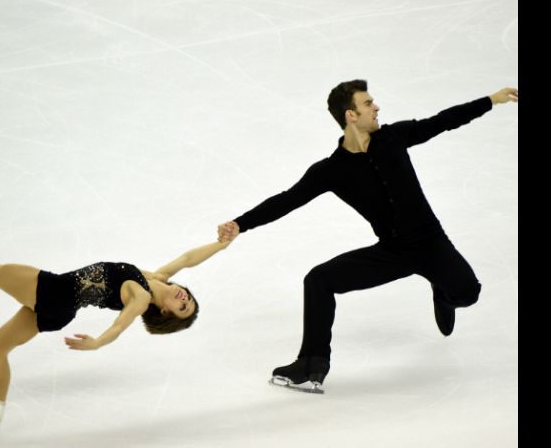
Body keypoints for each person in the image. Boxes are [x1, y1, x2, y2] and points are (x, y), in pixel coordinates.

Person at [217, 80, 518, 393]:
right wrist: (240, 224)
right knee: (318, 280)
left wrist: (491, 100)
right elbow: (286, 200)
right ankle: (310, 363)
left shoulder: (394, 137)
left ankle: (442, 293)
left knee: (468, 293)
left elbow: (443, 121)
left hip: (431, 243)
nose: (377, 107)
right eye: (368, 103)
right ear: (351, 115)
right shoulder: (331, 170)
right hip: (393, 252)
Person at [0, 224, 231, 443]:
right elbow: (187, 258)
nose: (185, 299)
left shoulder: (141, 297)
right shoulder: (156, 277)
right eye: (189, 299)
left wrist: (98, 343)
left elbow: (120, 324)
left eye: (183, 307)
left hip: (54, 292)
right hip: (59, 311)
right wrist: (220, 244)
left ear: (165, 313)